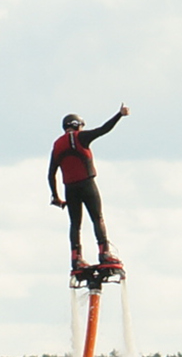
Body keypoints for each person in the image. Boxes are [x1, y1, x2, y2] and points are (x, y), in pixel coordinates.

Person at [48, 106, 129, 271]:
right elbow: (103, 129)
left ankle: (76, 258)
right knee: (97, 218)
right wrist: (119, 115)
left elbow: (51, 174)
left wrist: (55, 197)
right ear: (77, 124)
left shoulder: (57, 145)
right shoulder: (80, 137)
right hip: (86, 184)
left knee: (75, 224)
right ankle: (104, 253)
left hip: (69, 189)